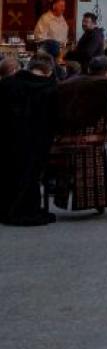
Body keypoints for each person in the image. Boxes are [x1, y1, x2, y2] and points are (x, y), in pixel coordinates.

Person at [48, 55, 107, 214]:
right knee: (94, 157)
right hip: (93, 138)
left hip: (65, 137)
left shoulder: (65, 85)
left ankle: (63, 195)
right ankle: (96, 200)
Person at [0, 52, 59, 226]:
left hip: (8, 138)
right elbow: (55, 120)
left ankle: (7, 208)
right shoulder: (51, 88)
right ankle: (26, 209)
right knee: (31, 176)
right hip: (38, 142)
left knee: (9, 173)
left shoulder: (8, 84)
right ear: (48, 70)